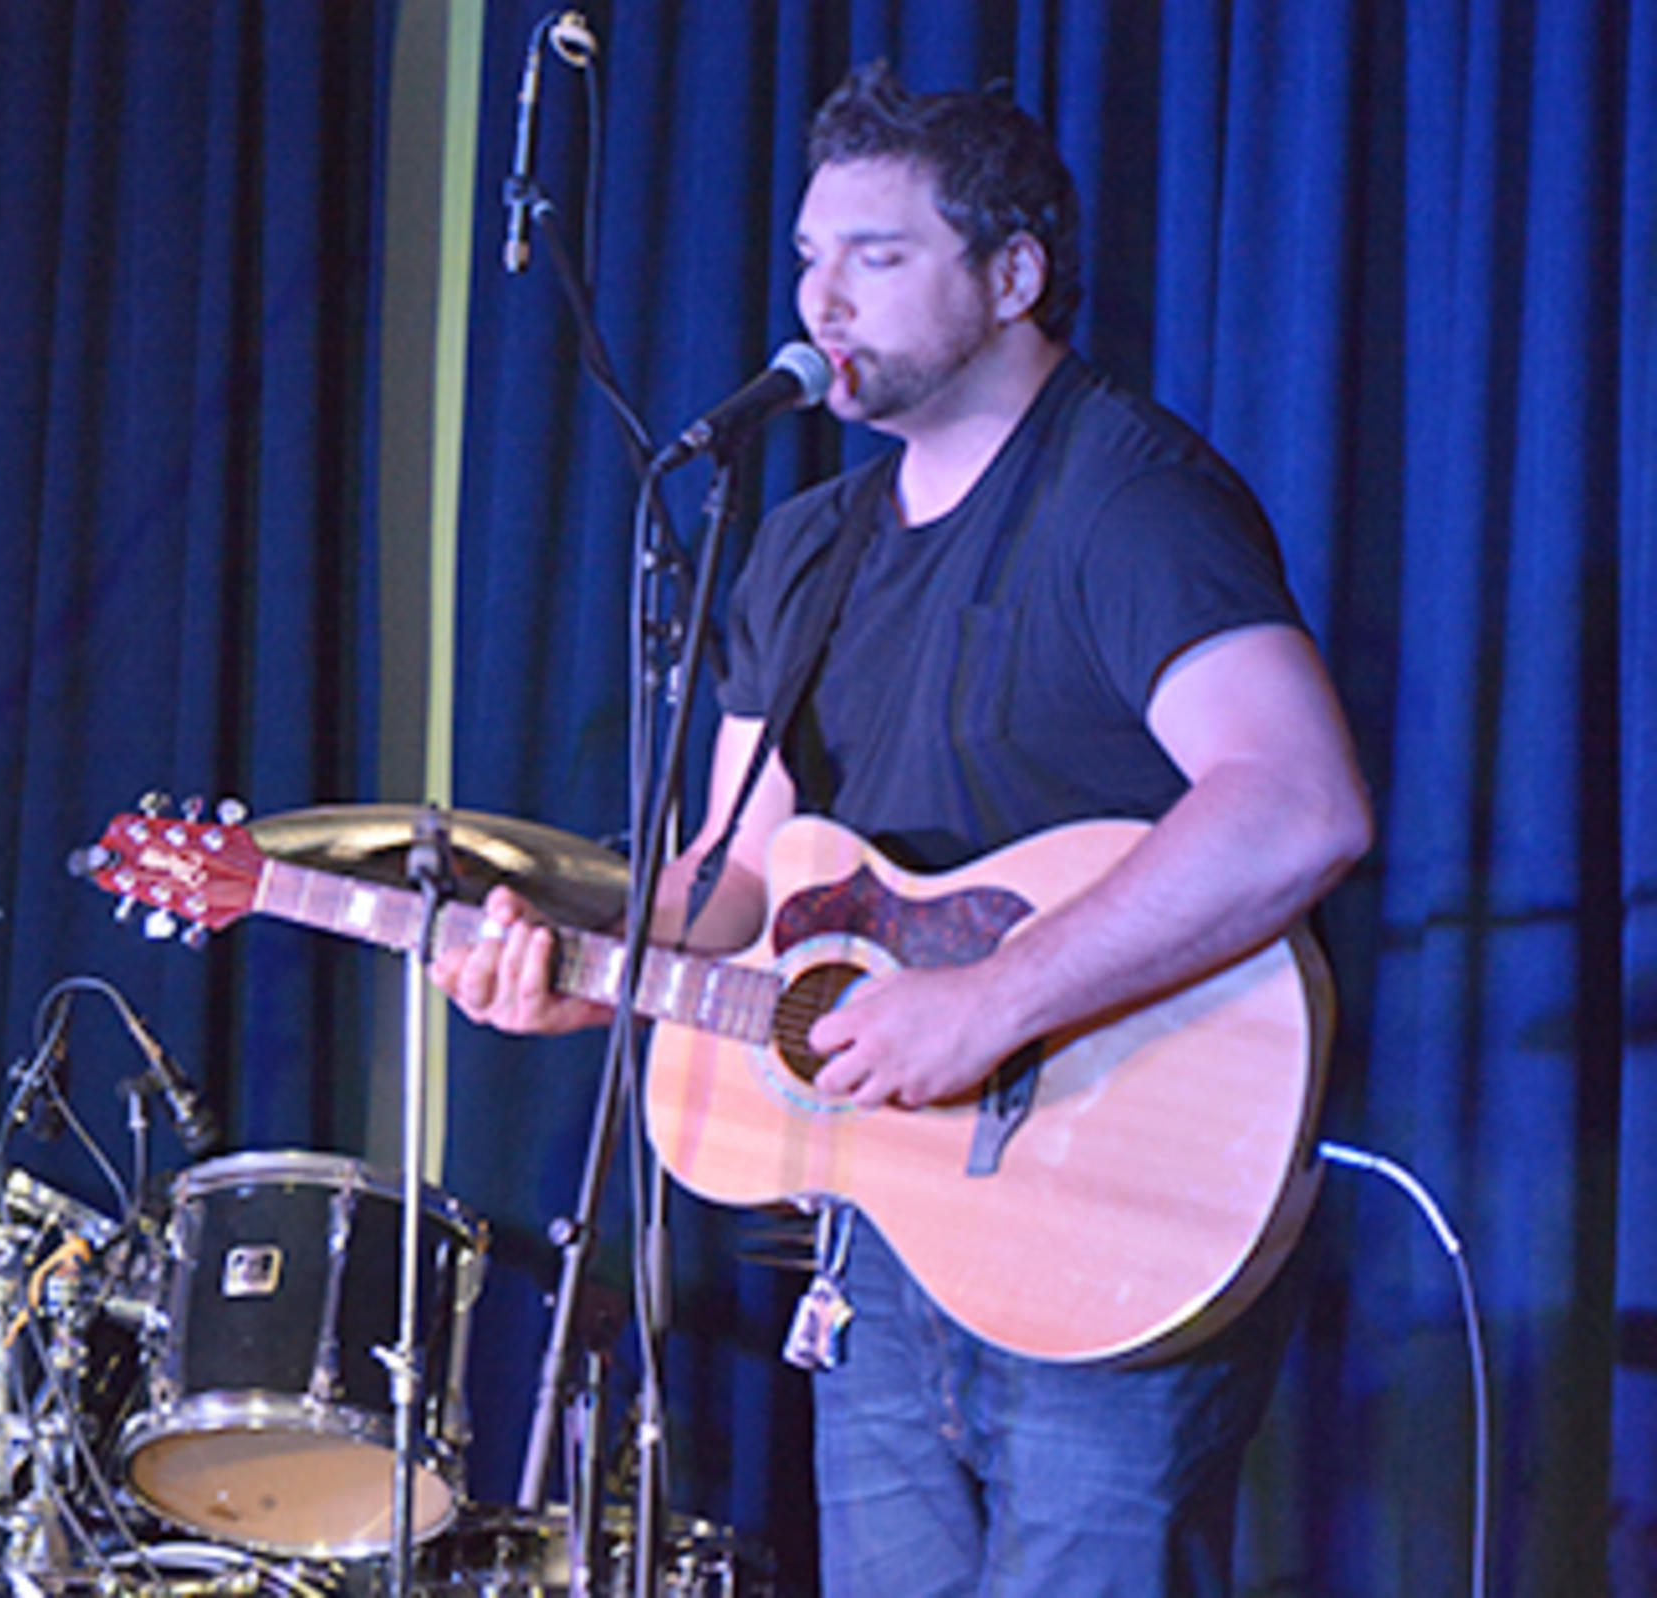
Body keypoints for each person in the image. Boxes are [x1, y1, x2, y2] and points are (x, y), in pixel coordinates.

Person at [431, 62, 1374, 1597]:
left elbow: (1297, 802)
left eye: (875, 256)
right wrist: (581, 968)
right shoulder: (803, 550)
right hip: (885, 1218)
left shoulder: (1127, 500)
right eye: (810, 257)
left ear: (1014, 274)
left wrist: (988, 1004)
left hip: (1113, 1192)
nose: (823, 300)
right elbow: (740, 873)